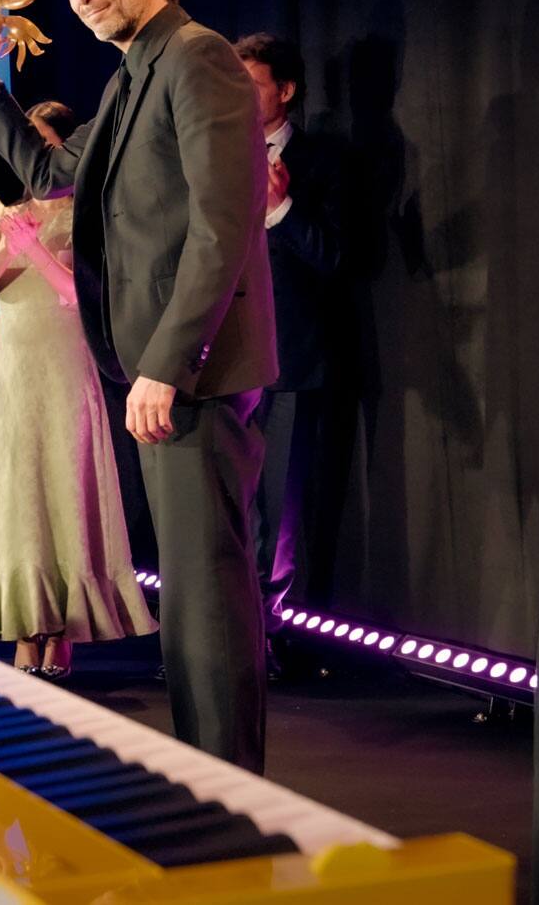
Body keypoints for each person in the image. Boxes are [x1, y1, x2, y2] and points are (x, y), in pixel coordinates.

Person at [0, 0, 276, 768]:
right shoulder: (136, 73)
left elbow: (224, 226)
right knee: (192, 600)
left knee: (206, 595)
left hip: (192, 375)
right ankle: (209, 782)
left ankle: (232, 797)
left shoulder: (197, 57)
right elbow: (57, 174)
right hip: (157, 373)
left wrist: (167, 364)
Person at [0, 110, 155, 676]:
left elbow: (77, 294)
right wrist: (12, 246)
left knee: (64, 484)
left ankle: (63, 629)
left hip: (64, 364)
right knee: (18, 490)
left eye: (44, 144)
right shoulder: (1, 214)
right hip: (11, 368)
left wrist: (34, 250)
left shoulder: (88, 215)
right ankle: (25, 624)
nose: (33, 156)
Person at [233, 33, 342, 670]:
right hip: (224, 359)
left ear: (285, 90)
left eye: (252, 85)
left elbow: (339, 258)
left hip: (294, 360)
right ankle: (236, 629)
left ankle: (276, 635)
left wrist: (282, 209)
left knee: (286, 510)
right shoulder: (216, 154)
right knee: (235, 502)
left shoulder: (324, 159)